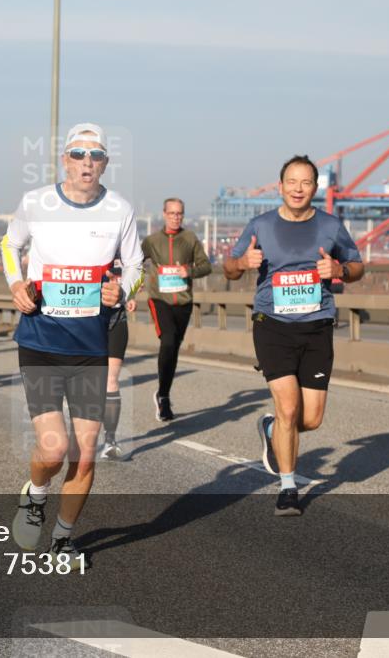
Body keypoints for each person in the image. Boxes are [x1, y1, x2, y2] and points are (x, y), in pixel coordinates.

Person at [2, 122, 143, 568]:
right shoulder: (36, 202)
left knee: (84, 457)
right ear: (64, 159)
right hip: (41, 341)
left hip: (91, 347)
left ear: (106, 163)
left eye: (95, 155)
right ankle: (35, 494)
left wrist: (121, 289)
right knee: (53, 449)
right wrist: (16, 284)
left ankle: (63, 538)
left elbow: (137, 265)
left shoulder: (120, 209)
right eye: (78, 154)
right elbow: (10, 244)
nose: (87, 162)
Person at [224, 155, 364, 516]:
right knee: (288, 408)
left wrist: (339, 270)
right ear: (280, 186)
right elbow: (229, 267)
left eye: (305, 182)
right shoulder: (261, 225)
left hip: (316, 327)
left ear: (314, 188)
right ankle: (288, 487)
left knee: (310, 419)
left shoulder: (331, 226)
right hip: (272, 325)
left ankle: (272, 431)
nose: (298, 188)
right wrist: (242, 264)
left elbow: (358, 266)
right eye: (291, 181)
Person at [141, 197, 212, 421]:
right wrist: (134, 286)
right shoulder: (152, 241)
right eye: (172, 213)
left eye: (179, 213)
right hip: (159, 299)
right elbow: (134, 262)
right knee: (168, 341)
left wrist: (189, 272)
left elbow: (206, 266)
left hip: (183, 302)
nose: (175, 217)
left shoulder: (189, 239)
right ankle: (163, 398)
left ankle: (163, 393)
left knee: (173, 349)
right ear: (164, 214)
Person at [100, 262, 140, 460]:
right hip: (88, 320)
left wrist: (130, 295)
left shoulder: (129, 254)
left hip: (117, 319)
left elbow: (137, 273)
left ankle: (110, 441)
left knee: (111, 380)